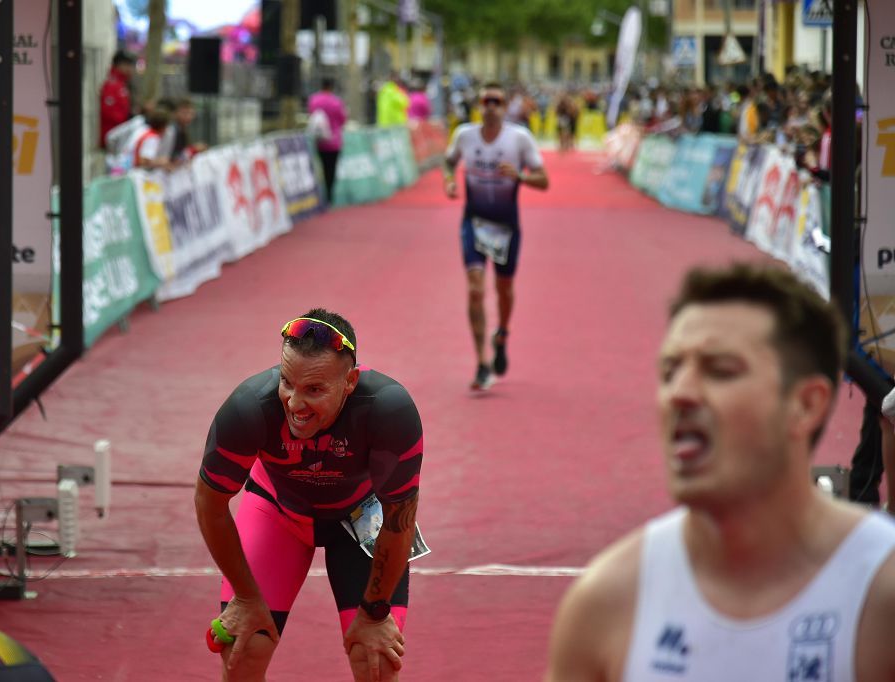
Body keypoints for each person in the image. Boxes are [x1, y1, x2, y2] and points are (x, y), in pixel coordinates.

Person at [545, 263, 895, 682]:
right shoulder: (607, 601)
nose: (681, 393)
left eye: (720, 370)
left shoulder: (882, 594)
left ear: (807, 405)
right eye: (670, 372)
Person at [194, 309, 424, 681]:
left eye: (314, 390)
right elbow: (210, 504)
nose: (295, 404)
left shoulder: (389, 411)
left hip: (358, 519)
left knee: (376, 659)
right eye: (288, 382)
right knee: (245, 647)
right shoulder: (249, 409)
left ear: (349, 382)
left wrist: (374, 614)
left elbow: (400, 519)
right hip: (278, 512)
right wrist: (247, 598)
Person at [443, 81, 549, 390]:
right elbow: (448, 163)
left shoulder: (519, 138)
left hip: (506, 227)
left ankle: (502, 331)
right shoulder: (464, 135)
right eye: (486, 101)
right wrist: (449, 182)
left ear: (505, 107)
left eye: (497, 101)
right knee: (475, 289)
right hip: (473, 223)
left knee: (504, 288)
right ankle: (482, 363)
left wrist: (520, 176)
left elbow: (544, 180)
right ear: (479, 105)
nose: (491, 106)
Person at [308, 78, 348, 205]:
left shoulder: (314, 100)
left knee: (322, 167)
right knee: (331, 168)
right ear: (331, 87)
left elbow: (311, 115)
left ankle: (322, 194)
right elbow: (343, 119)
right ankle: (329, 195)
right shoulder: (336, 102)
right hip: (334, 141)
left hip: (319, 141)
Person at [99, 49, 136, 150]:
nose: (131, 69)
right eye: (129, 65)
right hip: (113, 138)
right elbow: (108, 112)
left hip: (120, 137)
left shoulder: (122, 84)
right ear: (120, 65)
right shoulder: (113, 85)